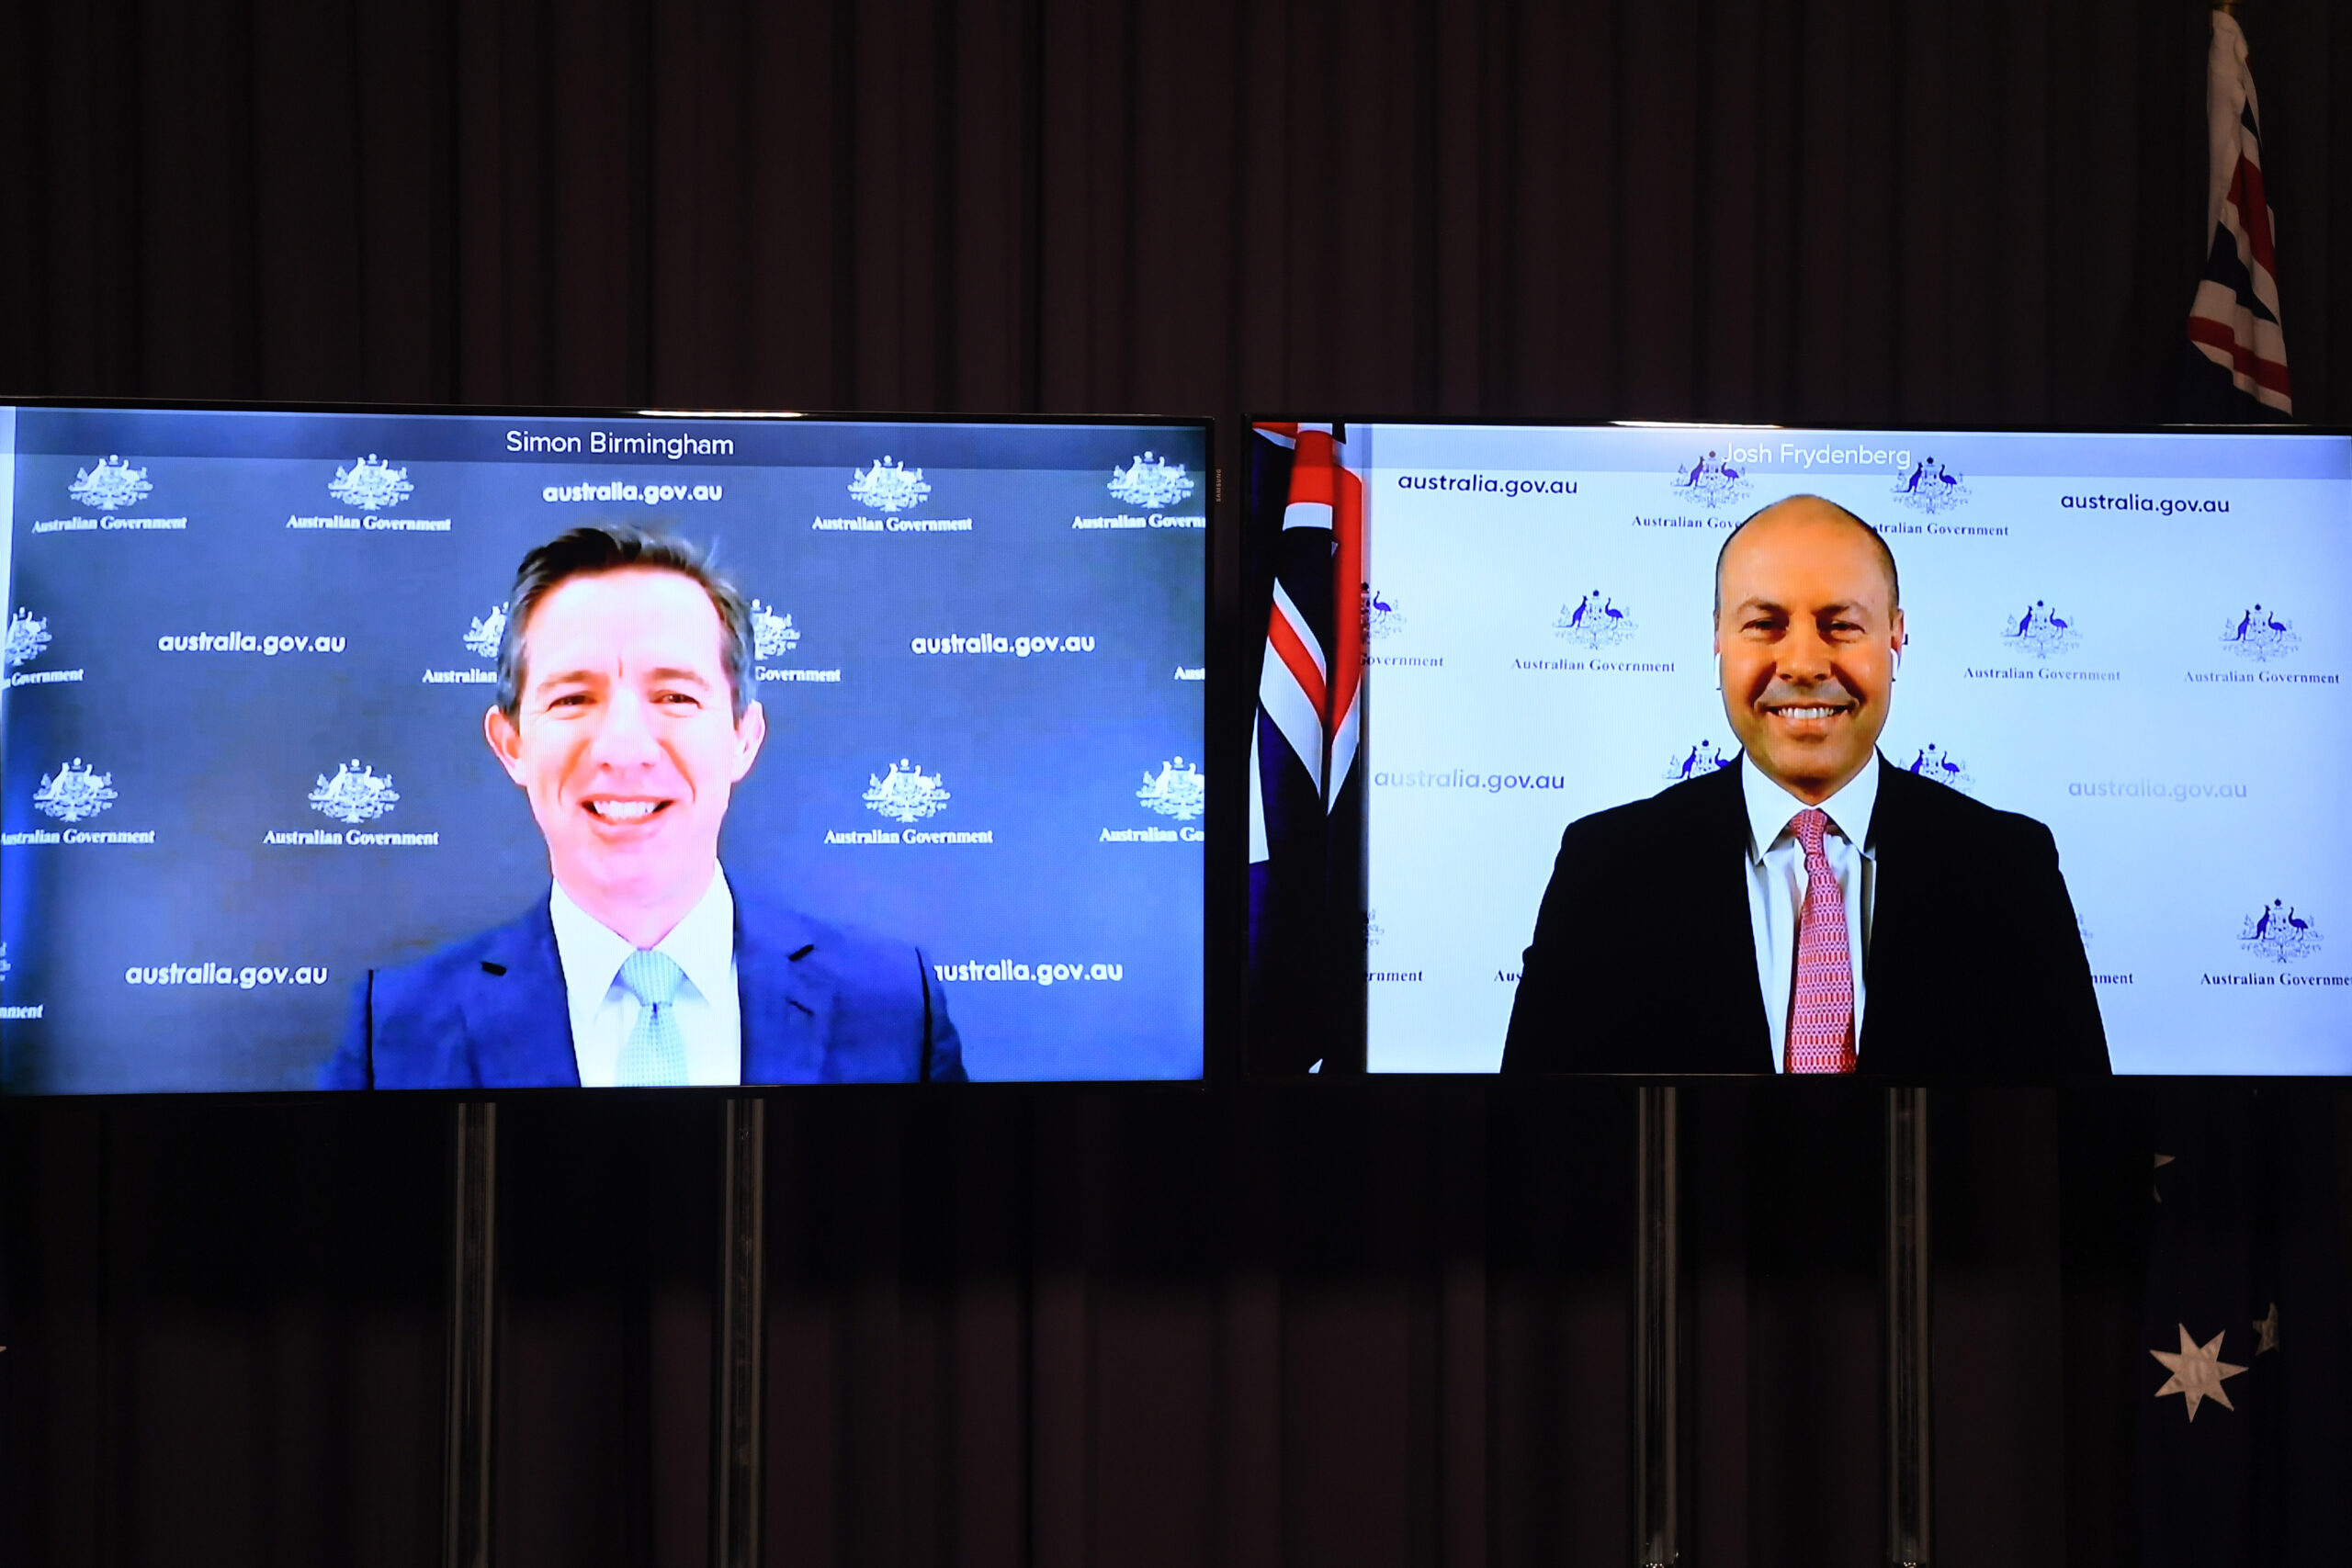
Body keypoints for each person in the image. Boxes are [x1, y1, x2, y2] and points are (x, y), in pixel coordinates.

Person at [324, 524, 965, 1088]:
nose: (624, 750)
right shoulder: (399, 1032)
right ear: (511, 743)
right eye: (573, 699)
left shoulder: (893, 1009)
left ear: (743, 738)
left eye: (676, 697)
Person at [1501, 494, 2108, 1079]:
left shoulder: (2010, 869)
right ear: (1718, 639)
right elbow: (1529, 1134)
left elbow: (2081, 1135)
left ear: (1896, 636)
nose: (1803, 664)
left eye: (1840, 625)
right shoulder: (1605, 869)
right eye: (1764, 624)